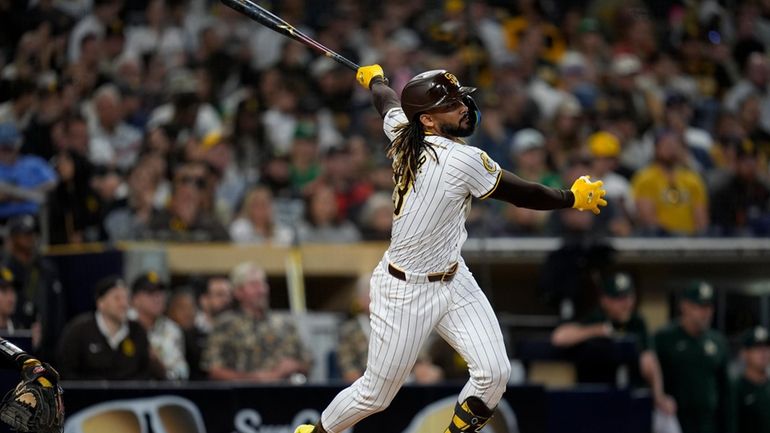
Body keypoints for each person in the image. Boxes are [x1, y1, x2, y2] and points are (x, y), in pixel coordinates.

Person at [294, 65, 607, 433]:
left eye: (459, 98)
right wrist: (570, 198)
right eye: (450, 104)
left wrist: (376, 81)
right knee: (375, 395)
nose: (462, 107)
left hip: (453, 277)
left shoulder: (402, 130)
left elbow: (388, 105)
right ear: (427, 120)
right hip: (405, 290)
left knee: (494, 372)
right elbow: (523, 194)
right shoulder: (461, 160)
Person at [551, 272, 676, 416]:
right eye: (620, 299)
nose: (627, 303)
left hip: (629, 398)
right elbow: (559, 338)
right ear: (605, 300)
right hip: (595, 399)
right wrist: (596, 331)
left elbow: (649, 360)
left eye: (629, 297)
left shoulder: (637, 322)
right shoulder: (597, 318)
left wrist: (659, 396)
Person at [202, 262, 312, 382]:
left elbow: (307, 362)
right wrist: (258, 379)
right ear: (238, 292)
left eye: (263, 283)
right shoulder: (224, 325)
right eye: (254, 285)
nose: (261, 290)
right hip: (240, 396)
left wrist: (294, 366)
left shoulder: (285, 325)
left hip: (283, 395)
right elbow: (213, 370)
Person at [654, 280, 731, 433]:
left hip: (708, 423)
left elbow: (725, 391)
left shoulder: (718, 341)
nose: (705, 312)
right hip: (673, 421)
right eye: (699, 306)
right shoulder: (664, 338)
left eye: (709, 307)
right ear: (684, 306)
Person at [57, 275, 160, 380]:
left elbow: (145, 373)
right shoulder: (79, 330)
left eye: (126, 298)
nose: (124, 304)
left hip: (130, 396)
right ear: (100, 303)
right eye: (117, 298)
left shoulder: (137, 331)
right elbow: (66, 371)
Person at [129, 271, 189, 380]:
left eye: (161, 293)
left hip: (161, 390)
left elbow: (181, 373)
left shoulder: (172, 330)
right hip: (126, 389)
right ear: (135, 299)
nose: (158, 298)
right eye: (150, 293)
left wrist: (158, 365)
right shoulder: (124, 326)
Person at [733, 326, 770, 433]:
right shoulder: (735, 388)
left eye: (766, 347)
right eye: (757, 348)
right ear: (744, 353)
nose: (763, 353)